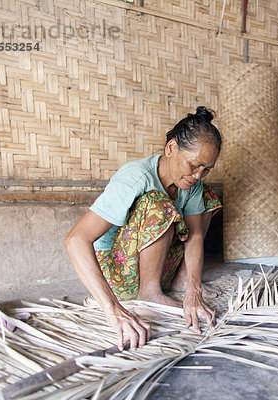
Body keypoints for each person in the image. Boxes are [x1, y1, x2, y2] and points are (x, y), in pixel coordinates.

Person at [64, 106, 223, 351]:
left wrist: (194, 288)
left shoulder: (192, 184)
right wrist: (112, 308)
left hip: (154, 267)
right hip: (118, 273)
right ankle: (148, 296)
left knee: (207, 197)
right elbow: (75, 240)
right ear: (171, 149)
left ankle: (178, 280)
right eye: (193, 165)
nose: (198, 175)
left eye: (206, 168)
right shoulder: (135, 177)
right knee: (158, 205)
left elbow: (196, 235)